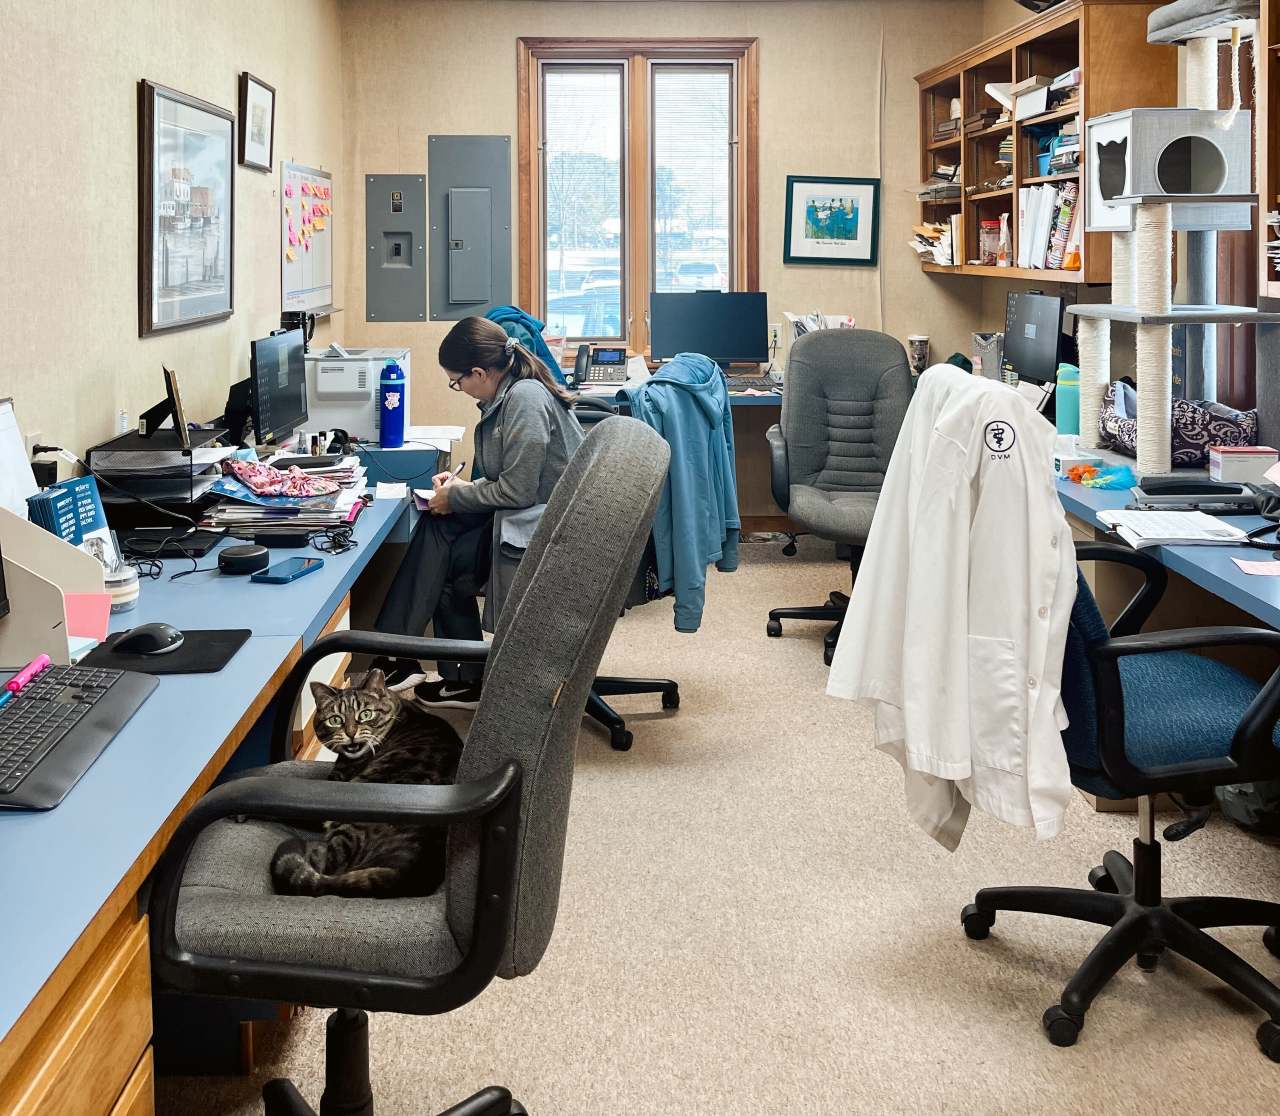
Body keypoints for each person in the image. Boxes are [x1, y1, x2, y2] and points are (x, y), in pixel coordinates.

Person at [373, 316, 584, 707]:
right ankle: (424, 664)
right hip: (532, 516)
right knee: (443, 543)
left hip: (551, 531)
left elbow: (518, 490)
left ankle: (399, 654)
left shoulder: (524, 400)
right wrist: (461, 491)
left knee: (443, 543)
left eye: (457, 381)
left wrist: (456, 497)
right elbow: (514, 479)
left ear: (479, 372)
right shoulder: (508, 396)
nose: (459, 388)